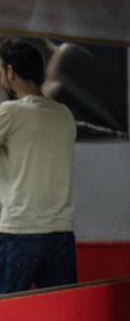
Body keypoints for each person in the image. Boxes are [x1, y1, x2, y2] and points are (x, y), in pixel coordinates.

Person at [0, 40, 77, 294]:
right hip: (61, 232)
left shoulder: (9, 113)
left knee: (7, 314)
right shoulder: (64, 113)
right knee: (60, 313)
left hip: (20, 231)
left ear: (10, 72)